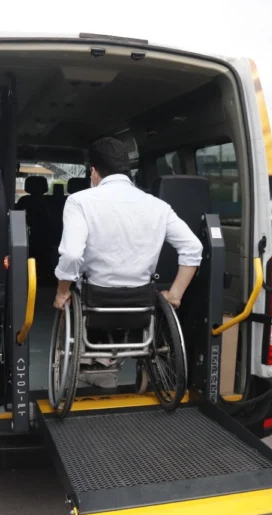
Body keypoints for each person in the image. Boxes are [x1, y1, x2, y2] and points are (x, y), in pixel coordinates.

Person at [52, 137, 203, 387]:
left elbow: (71, 255)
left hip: (95, 298)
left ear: (94, 172)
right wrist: (175, 294)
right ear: (128, 170)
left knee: (73, 297)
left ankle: (99, 360)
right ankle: (116, 361)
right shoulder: (158, 206)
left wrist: (61, 292)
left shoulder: (79, 201)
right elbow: (193, 247)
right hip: (141, 299)